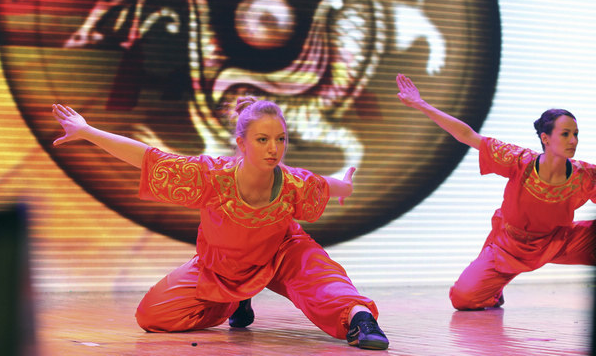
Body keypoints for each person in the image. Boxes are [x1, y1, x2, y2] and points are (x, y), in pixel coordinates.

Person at [51, 98, 389, 350]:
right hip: (220, 267)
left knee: (324, 278)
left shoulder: (295, 183)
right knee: (151, 317)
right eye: (262, 139)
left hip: (282, 252)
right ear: (241, 143)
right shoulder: (212, 176)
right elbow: (148, 157)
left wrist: (347, 184)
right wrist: (87, 131)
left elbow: (329, 185)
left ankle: (361, 322)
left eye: (281, 139)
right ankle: (235, 300)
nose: (274, 148)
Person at [395, 74, 596, 310]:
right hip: (508, 246)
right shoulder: (519, 161)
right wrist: (421, 104)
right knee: (463, 298)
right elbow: (468, 135)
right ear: (545, 138)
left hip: (559, 241)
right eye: (565, 134)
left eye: (576, 134)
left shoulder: (584, 174)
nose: (573, 140)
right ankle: (493, 290)